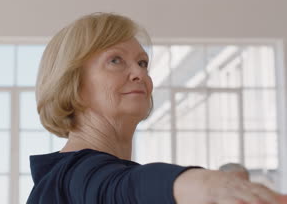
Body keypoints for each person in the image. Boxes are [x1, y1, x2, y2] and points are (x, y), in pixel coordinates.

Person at [27, 12, 286, 204]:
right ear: (73, 82)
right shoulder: (72, 178)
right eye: (116, 60)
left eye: (142, 62)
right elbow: (122, 187)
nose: (139, 73)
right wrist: (206, 184)